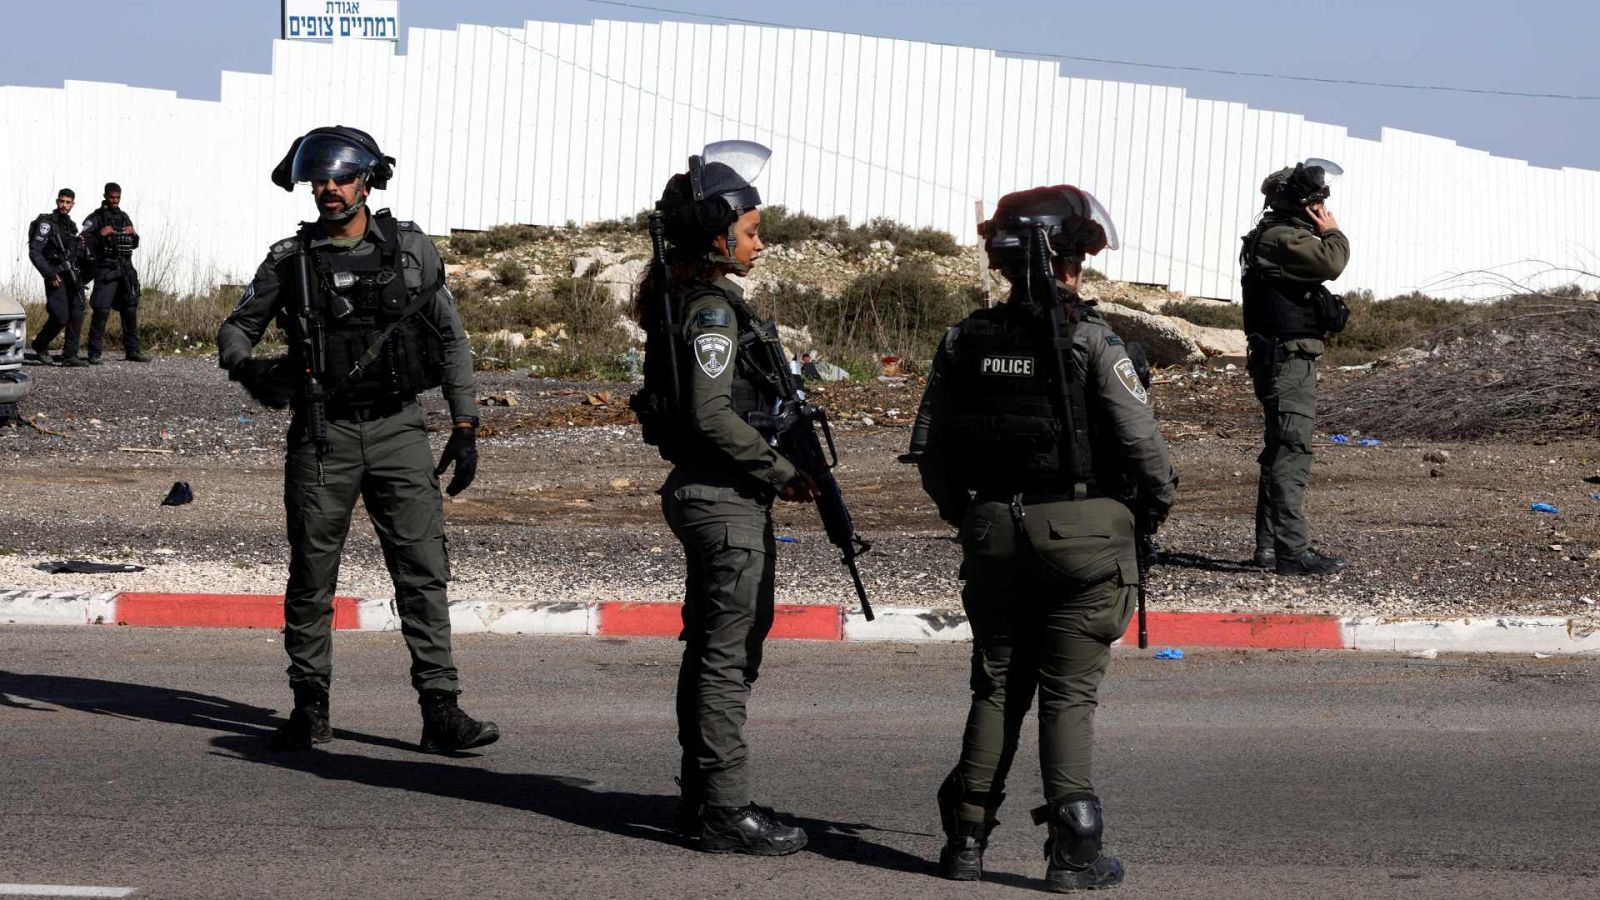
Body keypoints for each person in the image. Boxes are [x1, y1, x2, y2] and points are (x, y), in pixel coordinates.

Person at [907, 185, 1178, 891]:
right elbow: (1145, 451)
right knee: (1067, 694)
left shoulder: (964, 338)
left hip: (991, 531)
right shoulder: (1093, 338)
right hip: (1086, 536)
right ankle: (1073, 851)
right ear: (1067, 260)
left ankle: (965, 840)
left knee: (997, 685)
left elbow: (930, 451)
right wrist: (1147, 516)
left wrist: (970, 516)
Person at [217, 126, 497, 754]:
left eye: (341, 178)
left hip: (400, 428)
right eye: (319, 180)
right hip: (324, 432)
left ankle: (441, 709)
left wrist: (466, 422)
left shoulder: (411, 251)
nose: (329, 190)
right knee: (313, 574)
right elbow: (236, 330)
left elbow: (451, 339)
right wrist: (251, 369)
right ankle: (309, 704)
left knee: (423, 570)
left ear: (366, 180)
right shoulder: (290, 260)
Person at [629, 141, 812, 856]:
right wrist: (777, 471)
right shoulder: (709, 313)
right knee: (725, 662)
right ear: (716, 235)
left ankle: (704, 797)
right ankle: (724, 811)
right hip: (722, 499)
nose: (759, 245)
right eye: (751, 232)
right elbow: (711, 414)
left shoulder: (687, 300)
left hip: (712, 495)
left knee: (712, 652)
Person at [1240, 160, 1351, 576]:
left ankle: (1270, 546)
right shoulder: (1280, 237)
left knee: (1280, 450)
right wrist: (1332, 230)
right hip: (1287, 359)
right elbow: (1332, 263)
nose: (1319, 206)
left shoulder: (1273, 236)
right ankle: (1293, 551)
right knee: (1291, 453)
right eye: (1314, 200)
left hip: (1283, 357)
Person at [80, 183, 149, 364]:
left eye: (117, 198)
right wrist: (100, 234)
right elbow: (82, 241)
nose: (115, 201)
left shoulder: (124, 217)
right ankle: (94, 353)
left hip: (125, 268)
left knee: (130, 309)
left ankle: (132, 351)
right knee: (101, 310)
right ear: (105, 196)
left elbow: (132, 244)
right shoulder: (96, 217)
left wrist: (134, 235)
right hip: (106, 268)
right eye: (112, 198)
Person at [26, 189, 87, 366]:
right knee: (60, 316)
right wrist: (49, 273)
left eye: (68, 202)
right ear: (57, 201)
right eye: (62, 201)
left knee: (78, 311)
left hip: (72, 275)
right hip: (55, 275)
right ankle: (40, 344)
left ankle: (70, 355)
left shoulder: (72, 226)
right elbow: (35, 252)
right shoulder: (47, 223)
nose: (64, 205)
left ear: (73, 204)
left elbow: (75, 253)